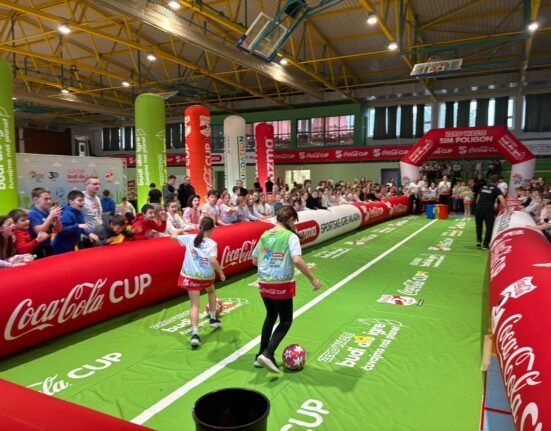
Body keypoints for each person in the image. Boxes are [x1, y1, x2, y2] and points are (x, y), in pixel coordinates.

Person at [252, 206, 321, 373]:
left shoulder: (265, 235)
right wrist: (312, 278)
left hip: (264, 283)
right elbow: (296, 260)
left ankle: (260, 355)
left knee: (271, 316)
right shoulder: (290, 236)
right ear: (290, 220)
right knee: (286, 321)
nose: (295, 225)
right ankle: (268, 353)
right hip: (281, 283)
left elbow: (254, 260)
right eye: (294, 221)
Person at [171, 217, 225, 347]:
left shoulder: (190, 238)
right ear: (212, 229)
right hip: (206, 276)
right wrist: (221, 272)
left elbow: (172, 237)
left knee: (194, 305)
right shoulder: (212, 243)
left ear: (200, 227)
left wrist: (180, 230)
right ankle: (213, 318)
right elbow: (213, 260)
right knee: (211, 291)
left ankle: (195, 334)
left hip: (191, 276)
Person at [27, 187, 62, 258]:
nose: (49, 201)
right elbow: (39, 231)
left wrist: (57, 219)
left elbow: (59, 230)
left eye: (50, 199)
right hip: (36, 249)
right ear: (36, 199)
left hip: (48, 246)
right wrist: (50, 216)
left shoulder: (49, 211)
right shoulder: (32, 213)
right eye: (46, 199)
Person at [475, 175, 508, 250]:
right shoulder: (496, 189)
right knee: (489, 226)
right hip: (488, 209)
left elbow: (477, 199)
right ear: (497, 182)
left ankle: (478, 241)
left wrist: (478, 207)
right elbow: (502, 199)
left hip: (479, 208)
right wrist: (507, 209)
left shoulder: (483, 187)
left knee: (479, 225)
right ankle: (485, 244)